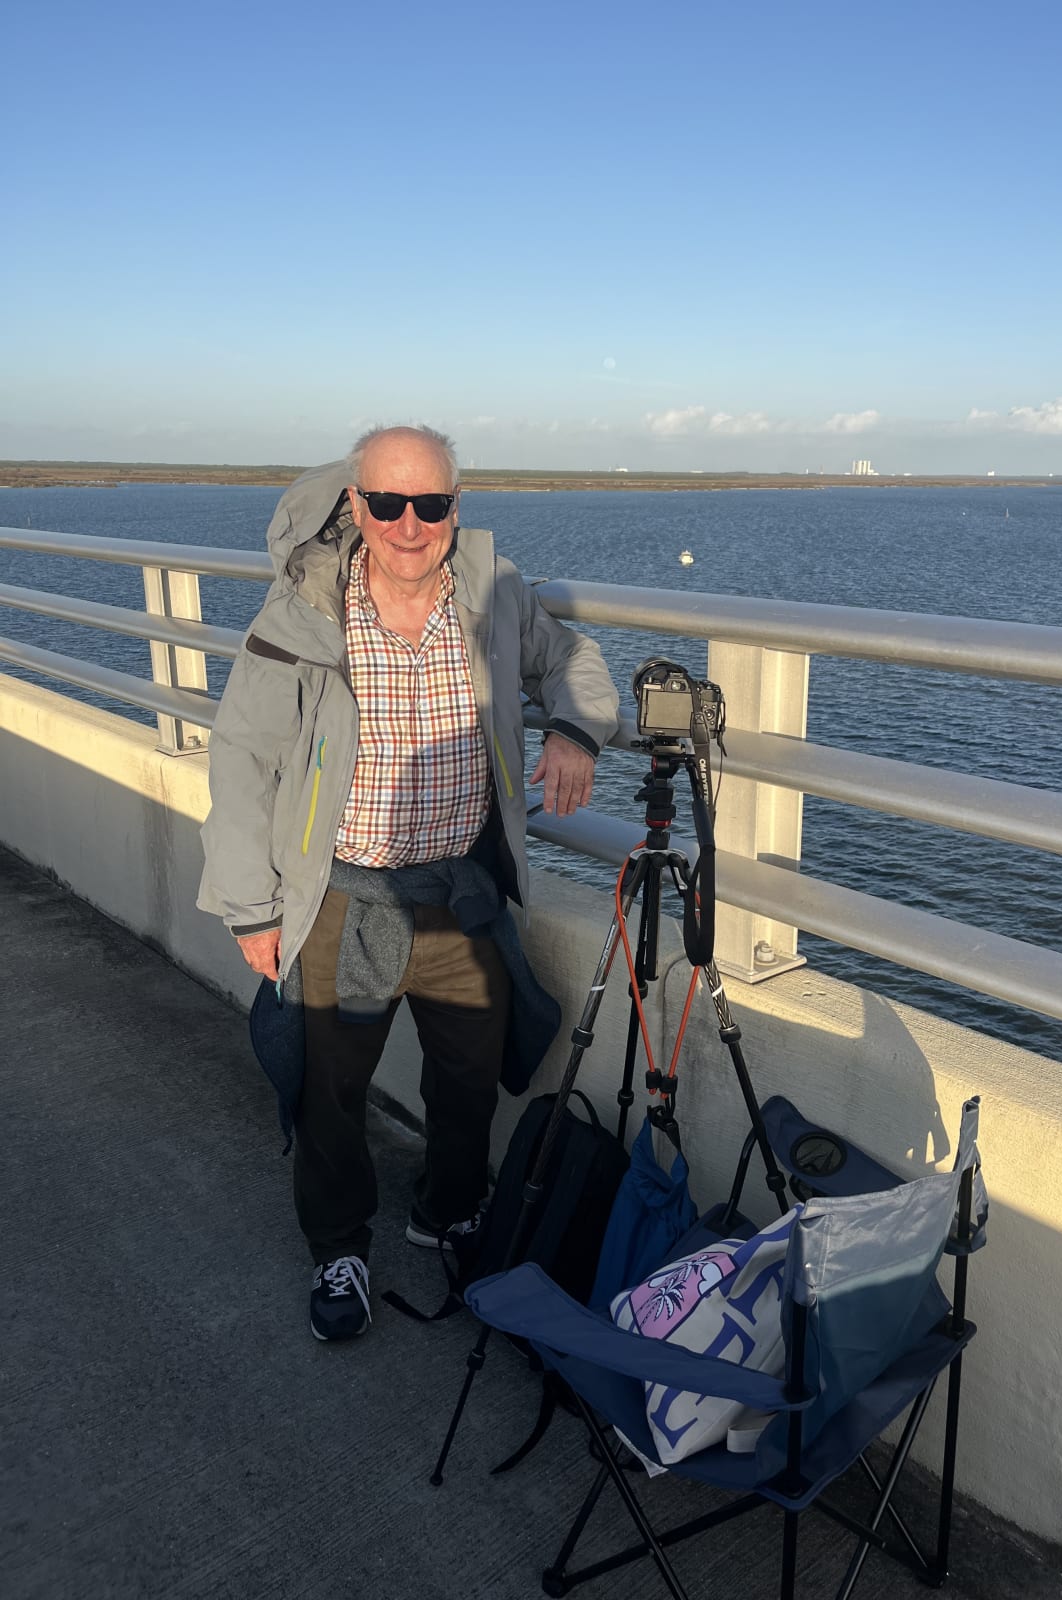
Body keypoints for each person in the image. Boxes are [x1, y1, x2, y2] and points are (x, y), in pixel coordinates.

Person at [198, 425, 619, 1341]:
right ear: (356, 505)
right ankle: (339, 1243)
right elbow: (241, 759)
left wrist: (575, 732)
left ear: (453, 509)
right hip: (343, 894)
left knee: (470, 1075)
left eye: (428, 504)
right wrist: (249, 907)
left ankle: (448, 1209)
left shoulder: (493, 595)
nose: (407, 524)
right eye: (386, 503)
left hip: (460, 891)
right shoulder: (304, 610)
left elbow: (575, 661)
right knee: (329, 1087)